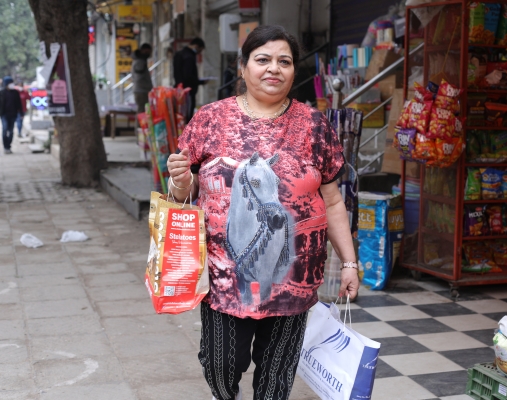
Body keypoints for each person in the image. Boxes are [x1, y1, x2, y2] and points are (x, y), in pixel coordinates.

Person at [166, 25, 359, 400]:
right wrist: (178, 182)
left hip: (294, 277)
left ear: (294, 70)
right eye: (263, 60)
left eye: (284, 61)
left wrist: (349, 263)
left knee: (276, 380)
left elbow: (333, 200)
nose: (274, 69)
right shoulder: (210, 119)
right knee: (219, 367)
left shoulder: (315, 125)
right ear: (243, 68)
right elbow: (182, 195)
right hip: (222, 277)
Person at [173, 37, 207, 122]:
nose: (199, 53)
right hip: (188, 92)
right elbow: (188, 76)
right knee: (187, 116)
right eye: (199, 50)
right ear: (196, 46)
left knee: (179, 116)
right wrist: (200, 82)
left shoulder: (178, 54)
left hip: (178, 89)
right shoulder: (189, 57)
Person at [0, 76, 23, 154]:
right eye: (10, 83)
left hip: (13, 115)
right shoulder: (2, 92)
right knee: (4, 130)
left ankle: (9, 146)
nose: (12, 85)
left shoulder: (15, 92)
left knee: (11, 131)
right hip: (4, 115)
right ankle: (5, 147)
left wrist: (21, 113)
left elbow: (19, 104)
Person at [132, 43, 153, 113]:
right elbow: (138, 78)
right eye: (148, 52)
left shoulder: (140, 60)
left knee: (144, 112)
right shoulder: (140, 62)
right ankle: (139, 125)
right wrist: (147, 86)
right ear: (143, 51)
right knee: (142, 113)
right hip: (141, 91)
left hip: (142, 91)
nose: (149, 54)